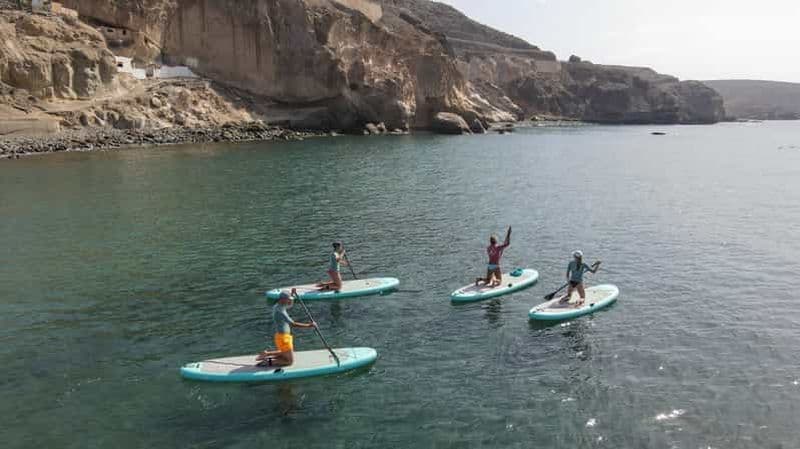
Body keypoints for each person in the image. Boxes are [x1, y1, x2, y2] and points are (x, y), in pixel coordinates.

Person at [257, 289, 316, 367]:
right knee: (289, 362)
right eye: (288, 299)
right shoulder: (280, 311)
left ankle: (267, 354)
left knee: (285, 354)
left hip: (280, 336)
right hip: (284, 338)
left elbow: (290, 305)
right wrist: (309, 325)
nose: (289, 301)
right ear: (283, 299)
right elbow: (293, 324)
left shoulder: (278, 305)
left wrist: (292, 294)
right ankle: (267, 362)